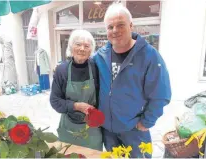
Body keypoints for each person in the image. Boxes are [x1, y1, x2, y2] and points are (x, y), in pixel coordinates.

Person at [93, 3, 172, 158]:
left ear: (131, 26)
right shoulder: (100, 56)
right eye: (110, 27)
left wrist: (146, 122)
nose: (115, 30)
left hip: (134, 131)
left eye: (120, 25)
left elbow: (161, 94)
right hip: (108, 131)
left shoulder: (150, 56)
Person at [50, 29, 103, 151]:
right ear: (71, 46)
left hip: (92, 127)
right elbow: (55, 101)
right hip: (69, 126)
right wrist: (76, 106)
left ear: (91, 50)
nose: (82, 49)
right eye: (78, 44)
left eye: (86, 46)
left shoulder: (96, 68)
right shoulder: (62, 71)